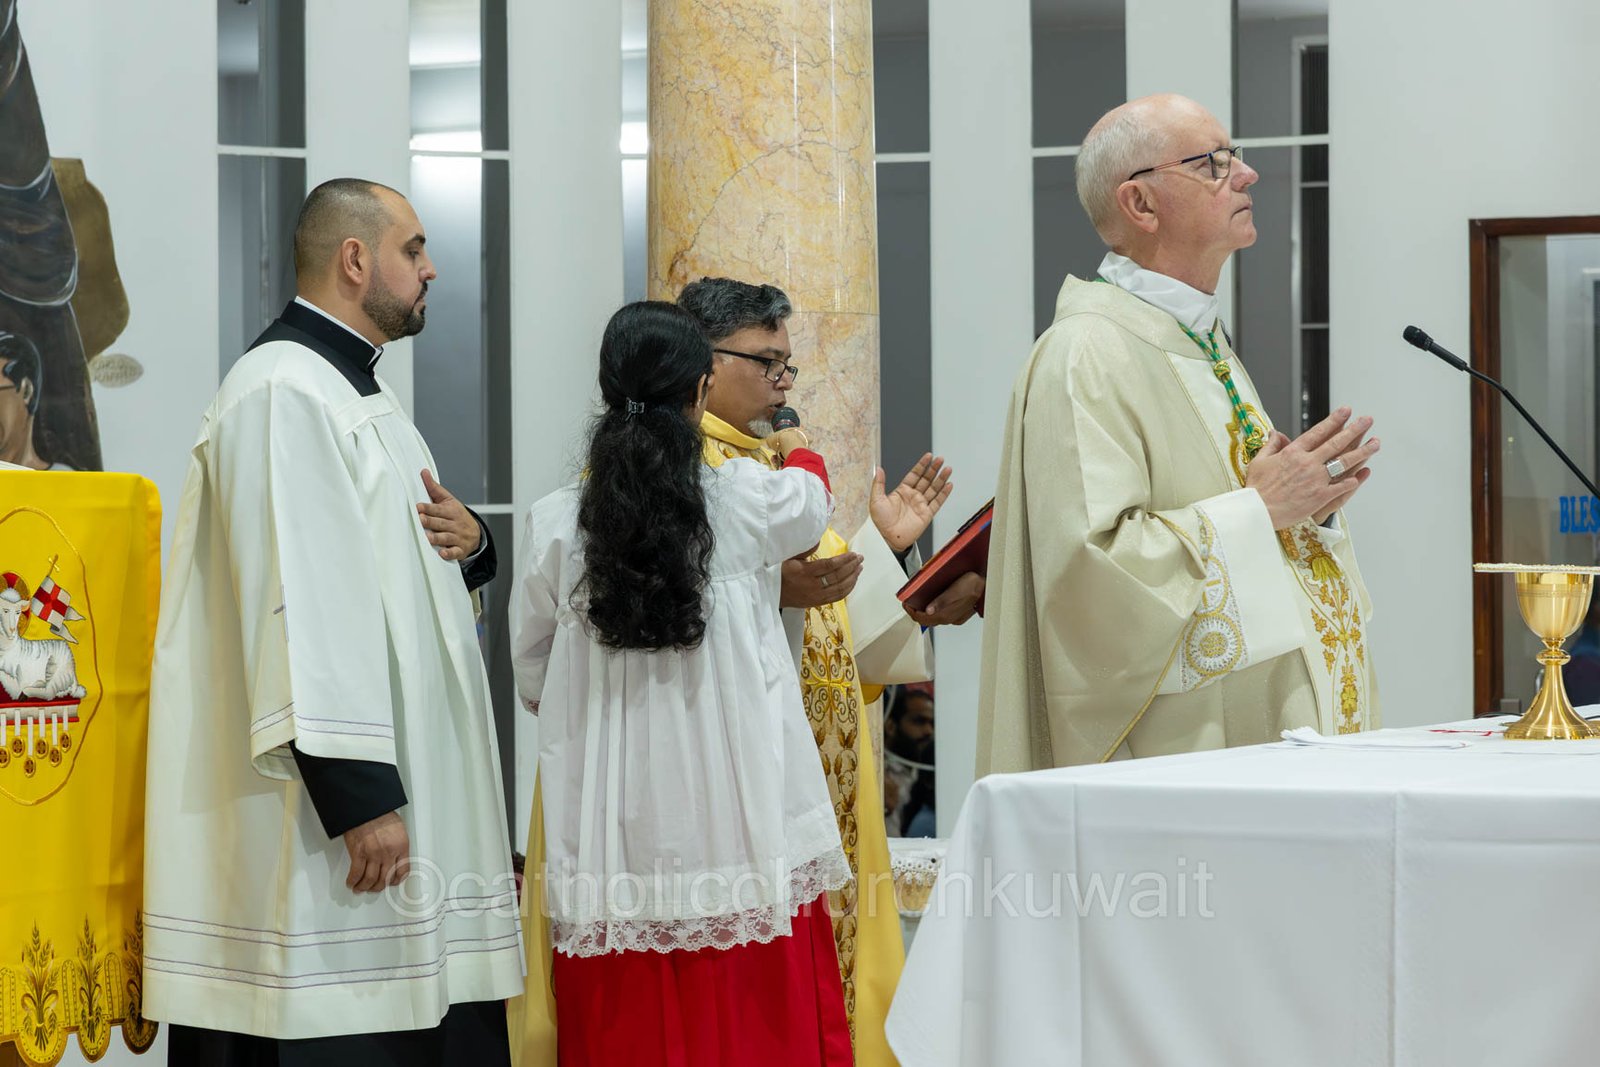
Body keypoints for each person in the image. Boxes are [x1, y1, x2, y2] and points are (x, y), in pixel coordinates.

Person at [145, 178, 522, 1064]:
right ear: (355, 259)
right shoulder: (283, 389)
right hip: (331, 826)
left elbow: (390, 579)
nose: (431, 269)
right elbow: (300, 602)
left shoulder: (355, 394)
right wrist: (360, 793)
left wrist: (474, 546)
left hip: (399, 798)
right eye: (413, 249)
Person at [977, 94, 1383, 775]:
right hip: (1170, 765)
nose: (1246, 174)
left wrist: (1308, 509)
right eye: (1214, 162)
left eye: (1235, 156)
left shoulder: (1198, 341)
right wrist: (1260, 511)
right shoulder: (1087, 353)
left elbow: (1245, 506)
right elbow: (1092, 577)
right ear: (1140, 203)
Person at [510, 300, 850, 1065]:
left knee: (633, 1031)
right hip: (736, 820)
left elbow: (531, 664)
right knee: (745, 1030)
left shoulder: (557, 523)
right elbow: (812, 502)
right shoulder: (747, 500)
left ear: (608, 393)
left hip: (615, 828)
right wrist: (795, 442)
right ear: (700, 391)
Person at [677, 275, 957, 1063]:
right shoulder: (662, 467)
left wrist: (886, 548)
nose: (784, 382)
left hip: (816, 770)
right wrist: (769, 590)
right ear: (704, 361)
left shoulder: (772, 466)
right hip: (732, 777)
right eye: (767, 362)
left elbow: (834, 630)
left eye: (787, 364)